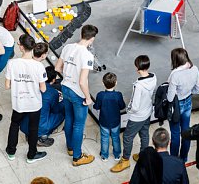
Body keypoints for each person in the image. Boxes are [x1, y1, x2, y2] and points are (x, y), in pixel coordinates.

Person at [54, 25, 98, 166]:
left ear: (82, 34)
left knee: (69, 119)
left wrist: (67, 76)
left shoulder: (68, 47)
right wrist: (88, 97)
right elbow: (82, 81)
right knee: (79, 125)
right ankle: (77, 157)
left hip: (65, 87)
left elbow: (57, 68)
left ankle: (71, 148)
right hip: (77, 93)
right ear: (91, 39)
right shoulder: (87, 56)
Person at [5, 34, 48, 163]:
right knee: (33, 129)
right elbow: (43, 89)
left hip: (19, 102)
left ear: (22, 47)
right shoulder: (39, 66)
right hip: (34, 103)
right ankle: (31, 155)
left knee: (14, 125)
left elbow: (7, 86)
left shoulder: (12, 63)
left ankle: (11, 152)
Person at [111, 55, 157, 173]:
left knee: (127, 137)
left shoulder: (139, 85)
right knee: (144, 134)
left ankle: (125, 160)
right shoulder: (153, 77)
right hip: (148, 111)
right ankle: (143, 156)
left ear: (137, 68)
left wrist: (128, 110)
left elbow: (135, 106)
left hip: (137, 116)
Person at [20, 52, 65, 147]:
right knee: (61, 113)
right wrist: (64, 102)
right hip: (39, 126)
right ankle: (42, 137)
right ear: (53, 80)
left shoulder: (32, 83)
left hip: (24, 123)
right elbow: (55, 110)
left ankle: (32, 135)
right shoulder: (52, 93)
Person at [167, 48, 199, 161]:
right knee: (186, 131)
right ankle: (183, 157)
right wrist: (188, 92)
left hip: (177, 105)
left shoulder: (175, 75)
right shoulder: (195, 69)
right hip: (188, 102)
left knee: (175, 133)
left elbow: (170, 97)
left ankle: (173, 159)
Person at [93, 72, 126, 161]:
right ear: (116, 83)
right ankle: (117, 154)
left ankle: (104, 156)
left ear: (103, 83)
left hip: (104, 121)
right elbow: (122, 106)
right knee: (116, 138)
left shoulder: (100, 95)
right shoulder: (118, 95)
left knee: (104, 138)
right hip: (115, 122)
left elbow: (96, 106)